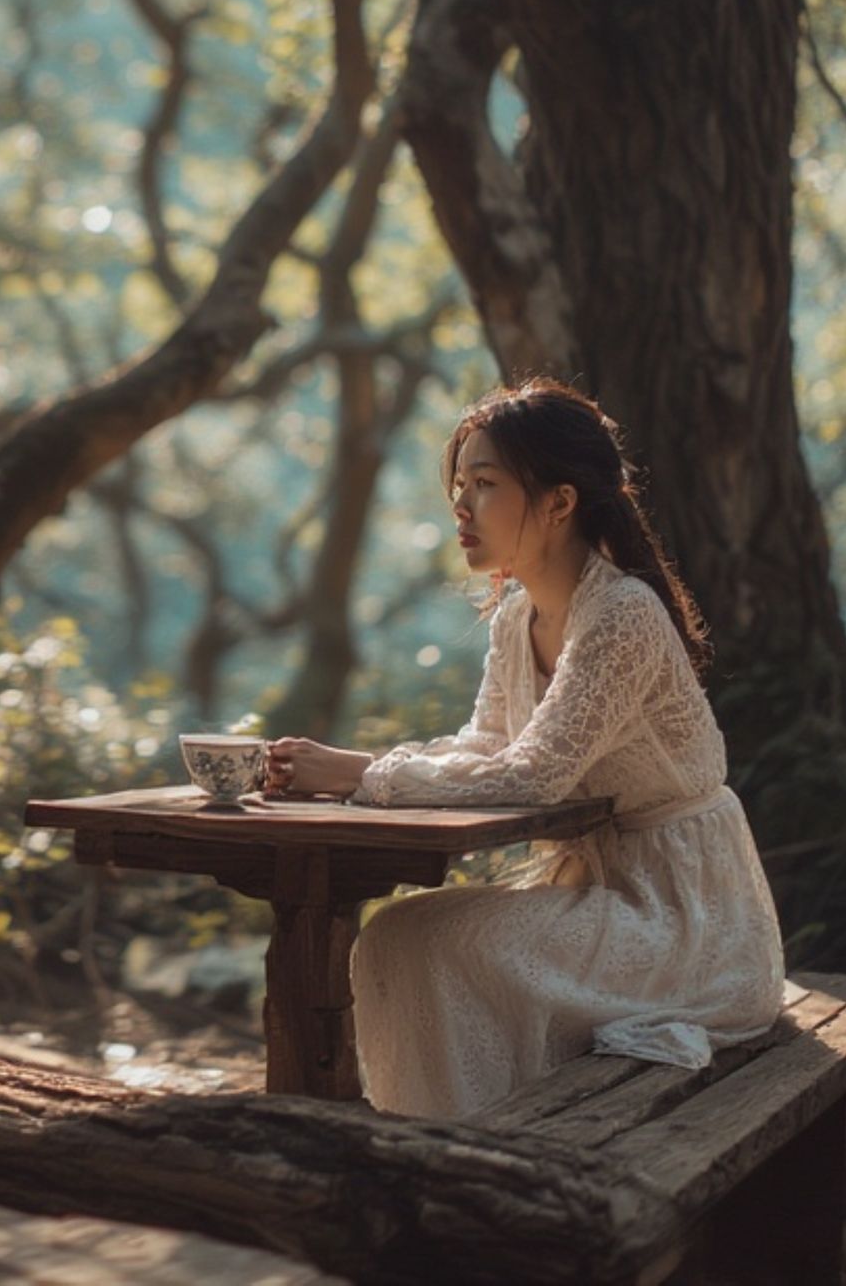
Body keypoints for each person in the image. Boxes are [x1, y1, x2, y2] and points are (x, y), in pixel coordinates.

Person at [264, 376, 793, 1119]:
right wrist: (353, 773)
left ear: (559, 501)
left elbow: (535, 775)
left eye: (484, 483)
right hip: (598, 894)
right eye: (459, 484)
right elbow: (486, 744)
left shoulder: (622, 615)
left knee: (436, 946)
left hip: (688, 921)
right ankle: (439, 1145)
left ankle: (470, 1156)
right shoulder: (519, 618)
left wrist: (360, 774)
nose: (460, 506)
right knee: (393, 938)